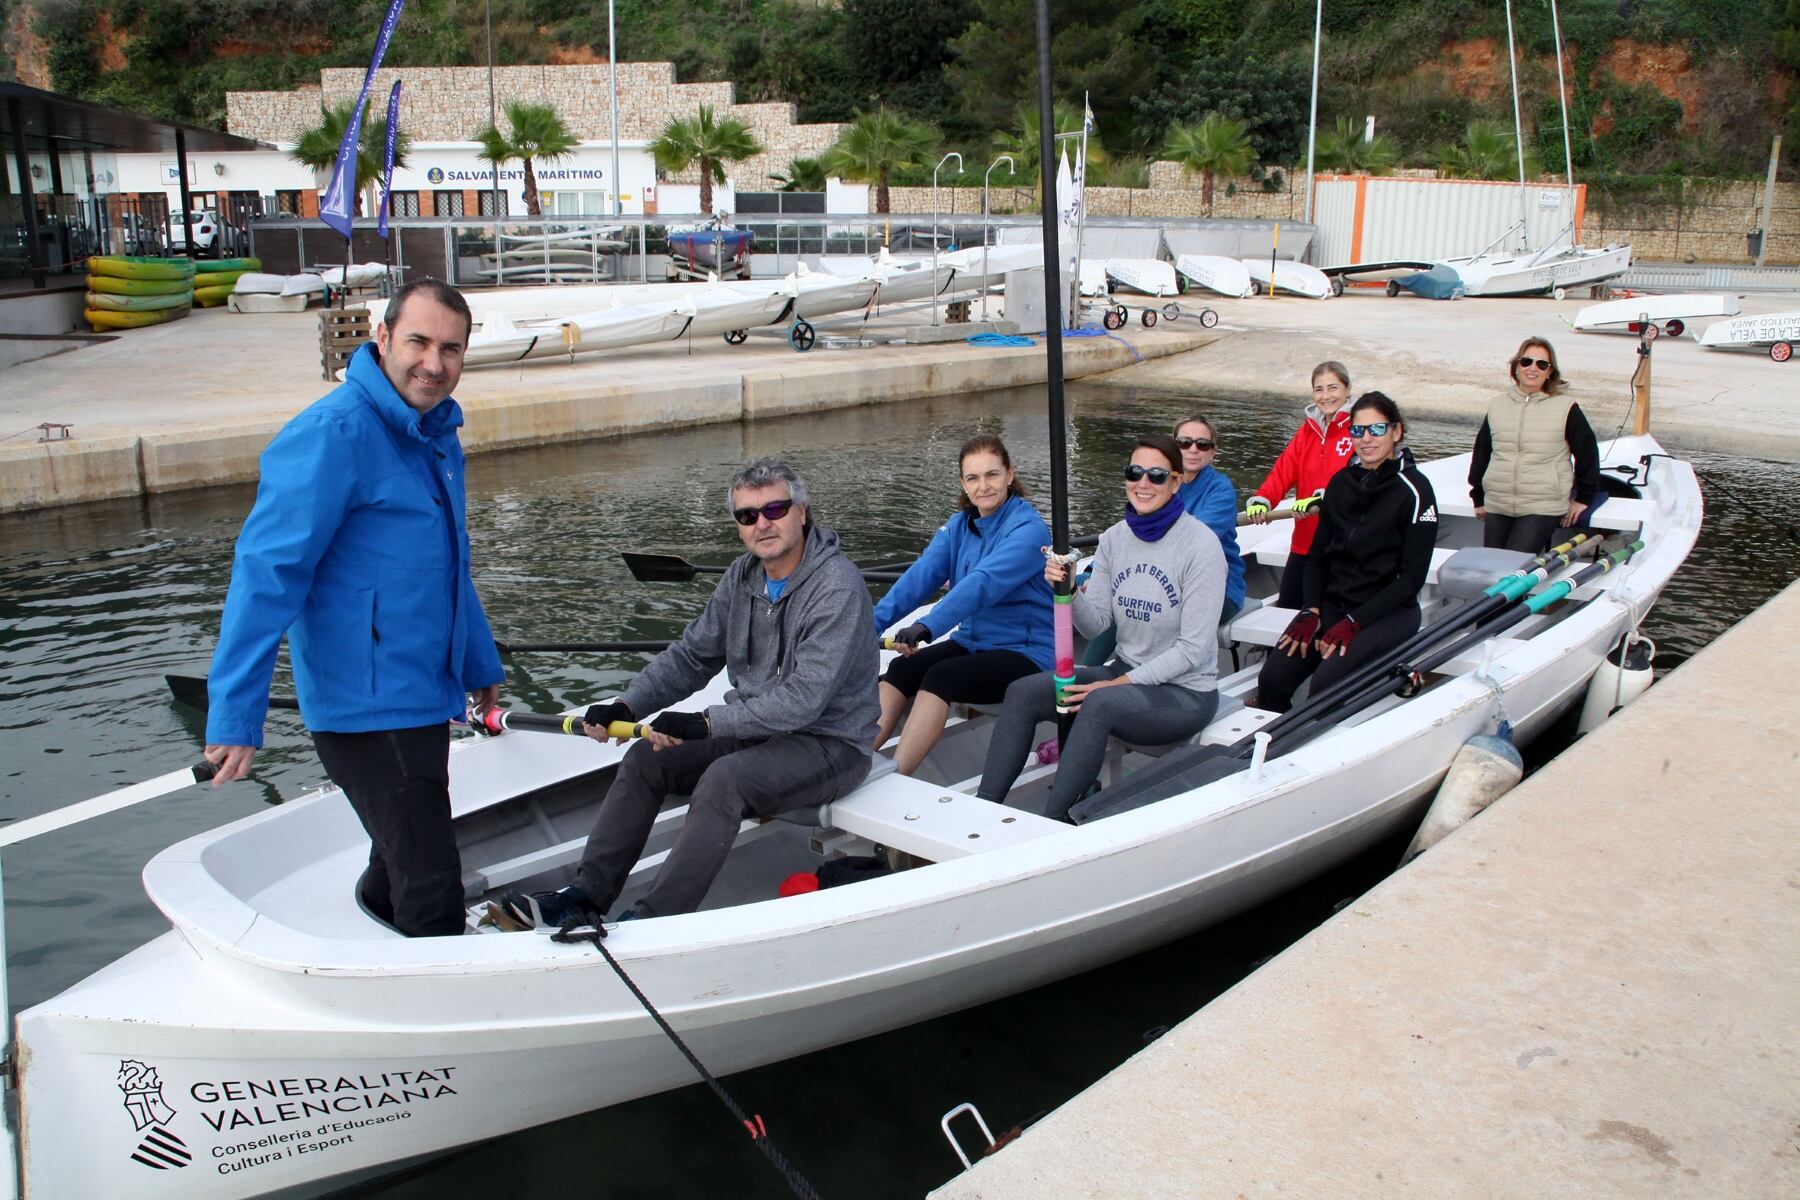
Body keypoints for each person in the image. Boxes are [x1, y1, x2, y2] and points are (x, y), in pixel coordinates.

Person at [203, 278, 504, 938]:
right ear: (383, 338)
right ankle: (438, 1011)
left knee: (401, 848)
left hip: (423, 693)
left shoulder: (434, 436)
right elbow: (266, 577)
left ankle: (373, 927)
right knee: (431, 882)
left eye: (451, 349)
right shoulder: (331, 434)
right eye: (419, 342)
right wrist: (234, 712)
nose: (433, 363)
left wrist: (478, 663)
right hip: (367, 709)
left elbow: (448, 565)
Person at [503, 457, 879, 926]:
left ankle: (655, 921)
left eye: (775, 509)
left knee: (726, 779)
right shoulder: (742, 577)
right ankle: (587, 894)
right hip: (756, 729)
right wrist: (627, 702)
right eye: (747, 515)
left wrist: (704, 724)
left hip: (829, 743)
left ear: (802, 511)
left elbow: (804, 699)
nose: (762, 523)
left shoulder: (837, 586)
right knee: (646, 759)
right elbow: (692, 655)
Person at [974, 436, 1225, 821]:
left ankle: (1051, 824)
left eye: (1156, 476)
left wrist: (1114, 685)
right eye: (1134, 472)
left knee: (1099, 701)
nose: (1143, 483)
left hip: (1185, 693)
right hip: (1124, 677)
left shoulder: (1201, 547)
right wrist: (1069, 589)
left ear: (1176, 482)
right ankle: (982, 811)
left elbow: (1192, 651)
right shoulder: (1113, 539)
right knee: (1023, 691)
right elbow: (1095, 626)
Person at [872, 434, 1053, 776]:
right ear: (963, 483)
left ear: (1010, 474)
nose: (983, 486)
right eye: (973, 478)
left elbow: (981, 584)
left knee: (941, 676)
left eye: (992, 475)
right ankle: (847, 764)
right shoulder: (958, 527)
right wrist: (869, 624)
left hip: (1026, 652)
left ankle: (894, 778)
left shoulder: (1030, 531)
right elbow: (920, 576)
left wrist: (927, 625)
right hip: (974, 642)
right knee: (902, 669)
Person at [1256, 392, 1438, 715]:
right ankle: (1272, 750)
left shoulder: (1416, 490)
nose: (1366, 439)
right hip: (1333, 606)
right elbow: (1317, 558)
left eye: (1377, 430)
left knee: (1325, 688)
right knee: (1272, 678)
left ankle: (1312, 747)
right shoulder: (1340, 483)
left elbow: (1411, 580)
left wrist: (1355, 621)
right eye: (1358, 431)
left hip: (1387, 613)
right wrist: (1311, 610)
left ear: (1396, 432)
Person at [1081, 414, 1246, 666]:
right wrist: (1093, 574)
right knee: (1087, 584)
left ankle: (1089, 673)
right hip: (1155, 578)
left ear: (1213, 453)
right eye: (1184, 442)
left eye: (1202, 444)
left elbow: (1182, 544)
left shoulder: (1220, 491)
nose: (1193, 449)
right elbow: (1129, 541)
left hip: (1215, 589)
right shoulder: (1151, 487)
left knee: (1125, 598)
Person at [1469, 337, 1604, 552]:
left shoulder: (1566, 407)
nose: (1533, 368)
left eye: (1542, 364)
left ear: (1550, 371)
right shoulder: (1497, 405)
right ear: (1516, 366)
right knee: (1492, 567)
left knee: (1513, 568)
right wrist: (1478, 496)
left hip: (1543, 505)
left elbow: (1587, 452)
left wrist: (1584, 498)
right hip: (1499, 502)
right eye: (1526, 361)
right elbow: (1482, 453)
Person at [1243, 361, 1357, 607]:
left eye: (1333, 388)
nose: (1325, 396)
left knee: (1323, 616)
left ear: (1347, 389)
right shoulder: (1308, 430)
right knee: (1287, 609)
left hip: (1342, 547)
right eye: (1319, 389)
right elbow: (1283, 471)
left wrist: (1326, 496)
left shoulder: (1360, 430)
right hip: (1304, 541)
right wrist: (1264, 499)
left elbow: (1359, 481)